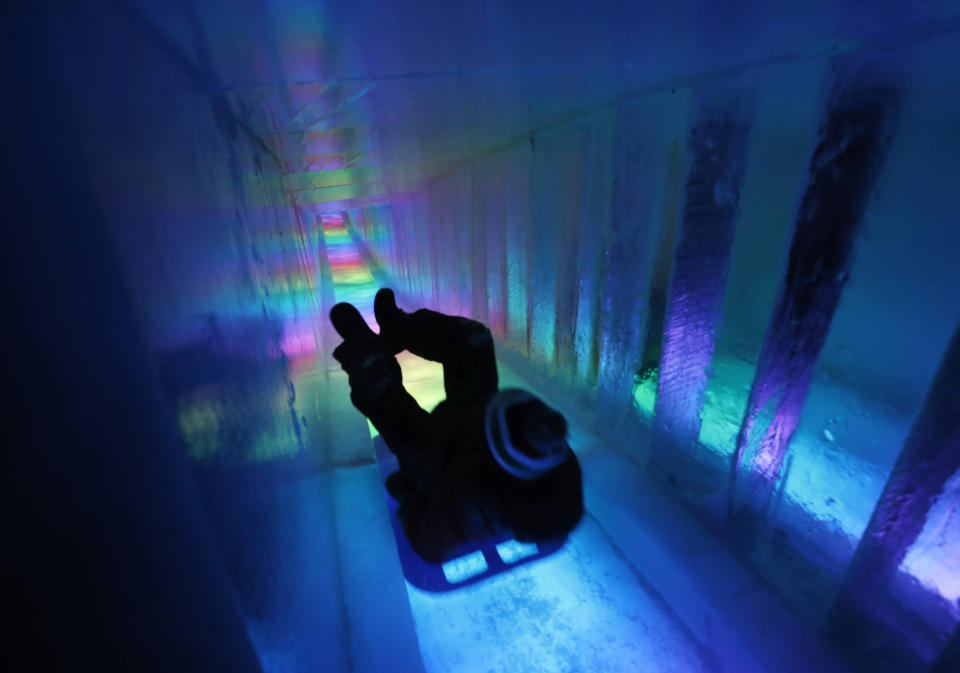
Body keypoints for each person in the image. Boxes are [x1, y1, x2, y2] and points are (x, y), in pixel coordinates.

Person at [330, 288, 583, 563]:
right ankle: (397, 329)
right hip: (474, 436)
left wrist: (411, 500)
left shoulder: (468, 504)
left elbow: (430, 547)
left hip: (440, 461)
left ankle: (363, 350)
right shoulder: (553, 455)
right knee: (472, 340)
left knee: (380, 390)